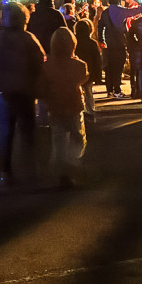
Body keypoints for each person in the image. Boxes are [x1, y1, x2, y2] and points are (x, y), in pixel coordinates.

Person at [0, 2, 45, 183]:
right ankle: (31, 169)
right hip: (25, 91)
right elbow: (39, 62)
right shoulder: (28, 39)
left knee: (6, 132)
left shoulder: (0, 39)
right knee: (28, 131)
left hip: (5, 92)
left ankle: (5, 171)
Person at [40, 26, 89, 186]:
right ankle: (73, 161)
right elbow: (83, 78)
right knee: (78, 136)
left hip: (55, 106)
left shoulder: (47, 65)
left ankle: (60, 169)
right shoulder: (79, 65)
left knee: (59, 139)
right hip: (74, 105)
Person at [98, 0, 141, 99]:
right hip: (120, 42)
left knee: (109, 67)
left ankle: (109, 90)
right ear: (118, 0)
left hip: (108, 43)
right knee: (118, 67)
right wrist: (135, 3)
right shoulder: (122, 10)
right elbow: (136, 11)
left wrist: (101, 40)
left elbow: (100, 27)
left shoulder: (105, 13)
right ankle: (117, 90)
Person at [74, 18, 102, 120]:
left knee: (77, 91)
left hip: (76, 71)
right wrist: (98, 75)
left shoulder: (74, 41)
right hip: (89, 71)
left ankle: (78, 111)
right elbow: (97, 60)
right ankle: (90, 111)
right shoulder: (92, 43)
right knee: (89, 92)